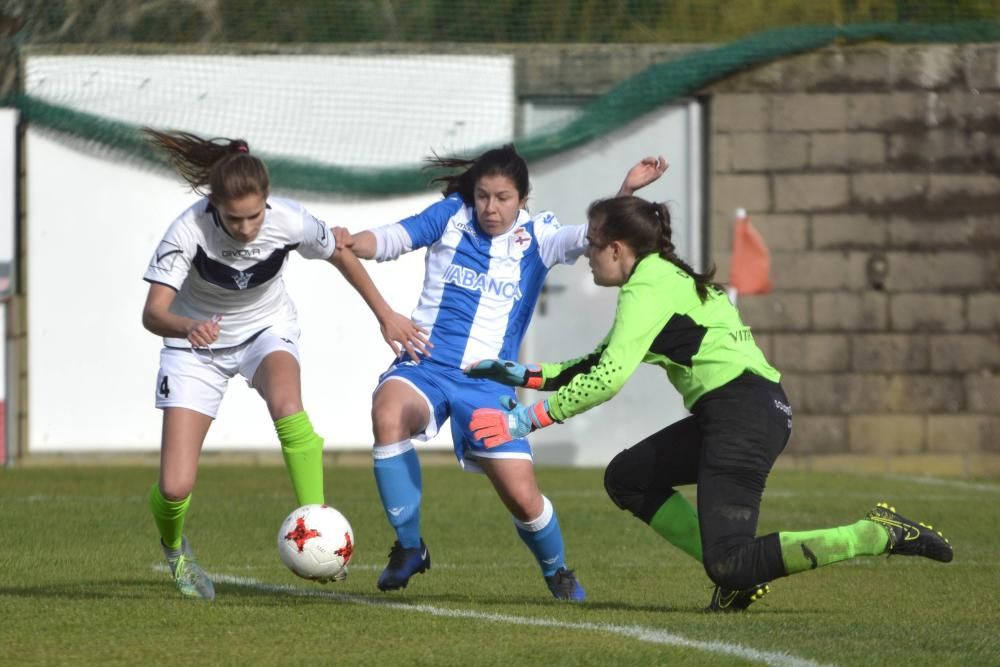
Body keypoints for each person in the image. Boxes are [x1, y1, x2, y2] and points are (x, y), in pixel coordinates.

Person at [467, 194, 954, 611]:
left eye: (592, 246)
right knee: (628, 478)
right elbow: (599, 362)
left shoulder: (647, 287)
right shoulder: (656, 279)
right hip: (740, 411)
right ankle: (736, 584)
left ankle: (875, 534)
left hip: (744, 415)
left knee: (730, 561)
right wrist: (527, 374)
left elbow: (608, 379)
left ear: (616, 249)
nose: (587, 256)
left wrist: (526, 421)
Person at [334, 145, 667, 600]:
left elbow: (595, 237)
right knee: (387, 412)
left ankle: (557, 571)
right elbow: (391, 238)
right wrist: (354, 240)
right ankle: (409, 547)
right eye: (483, 196)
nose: (490, 208)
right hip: (425, 365)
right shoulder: (451, 217)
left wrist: (626, 190)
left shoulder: (540, 236)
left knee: (523, 500)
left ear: (523, 198)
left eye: (503, 198)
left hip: (489, 383)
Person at [141, 128, 427, 601]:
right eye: (234, 219)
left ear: (267, 201)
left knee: (287, 403)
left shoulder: (290, 220)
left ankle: (319, 531)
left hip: (265, 330)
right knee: (175, 486)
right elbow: (153, 312)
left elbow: (341, 254)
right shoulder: (187, 230)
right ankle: (175, 552)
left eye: (254, 216)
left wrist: (386, 314)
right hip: (195, 345)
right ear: (214, 205)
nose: (246, 228)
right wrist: (187, 325)